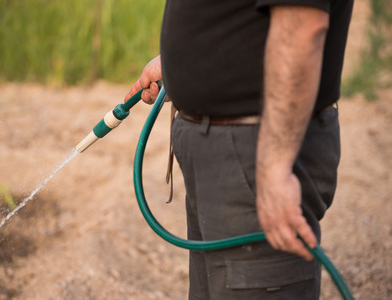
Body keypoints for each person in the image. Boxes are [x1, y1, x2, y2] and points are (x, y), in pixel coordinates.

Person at [125, 1, 353, 299]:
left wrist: (274, 168)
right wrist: (186, 59)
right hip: (227, 149)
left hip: (256, 148)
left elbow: (301, 25)